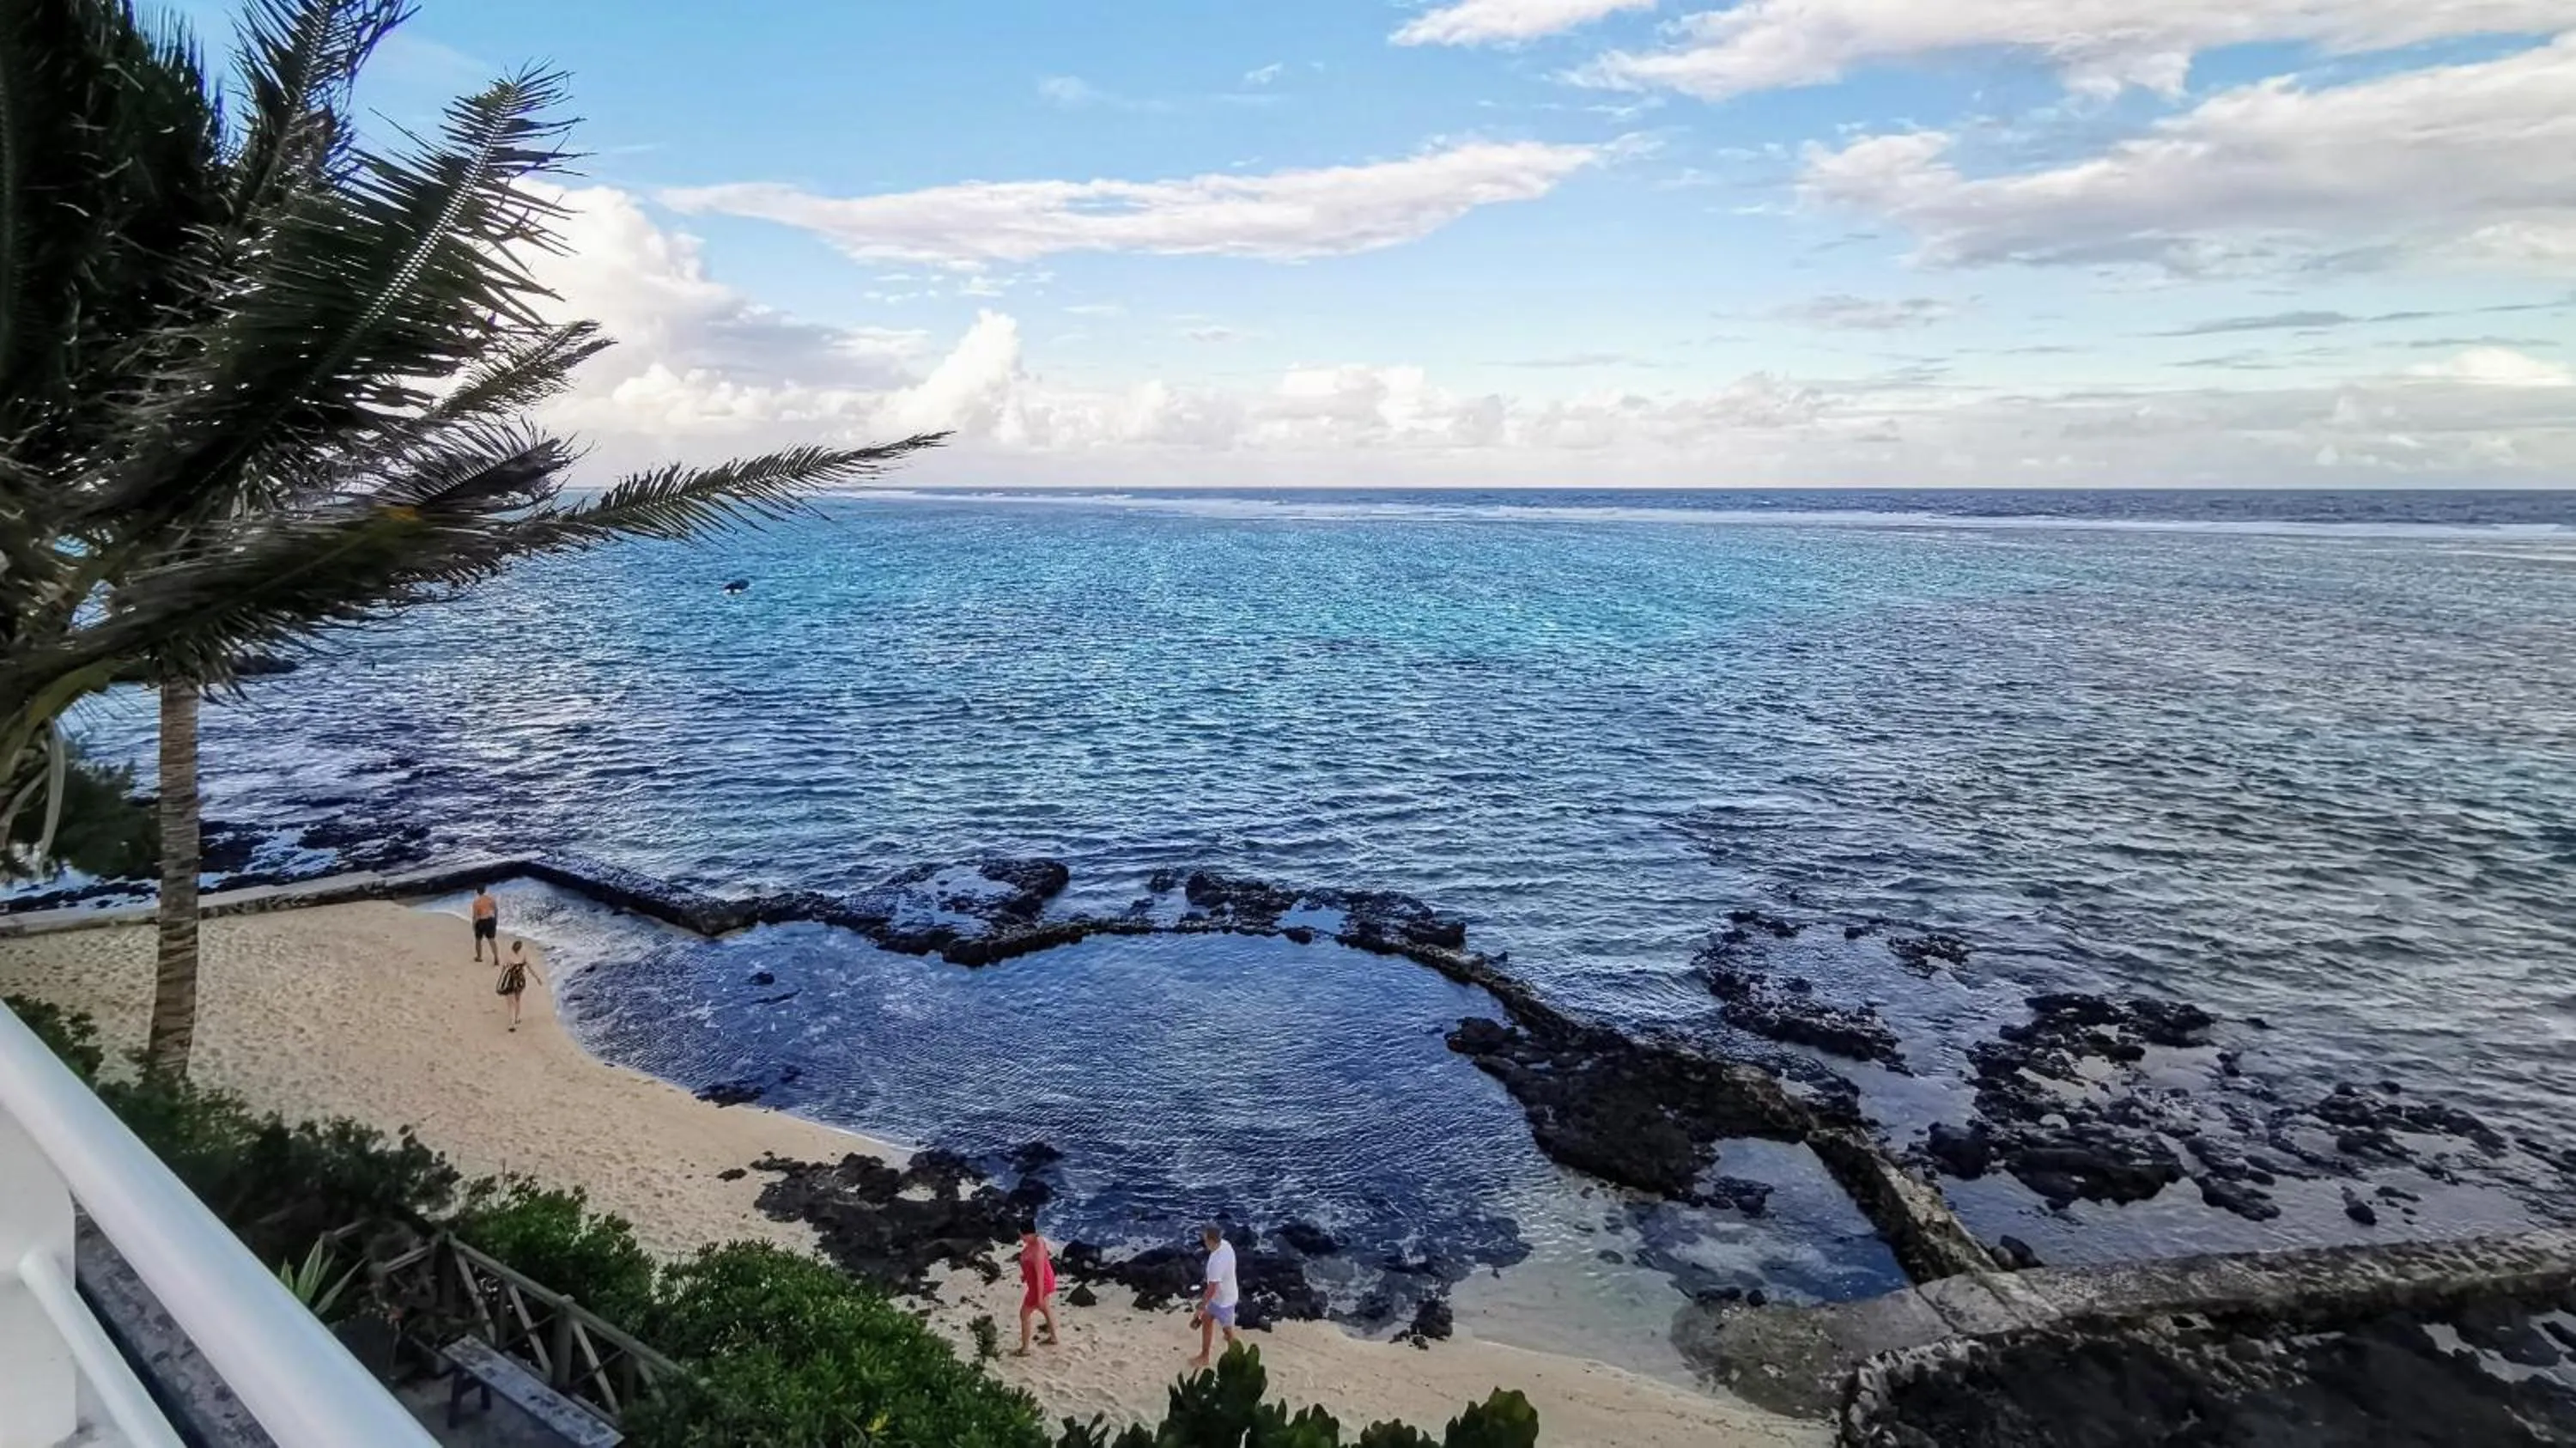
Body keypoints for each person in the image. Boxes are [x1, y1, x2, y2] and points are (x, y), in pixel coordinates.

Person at [1188, 1224, 1240, 1369]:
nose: (1204, 1243)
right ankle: (1204, 1356)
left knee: (1228, 1332)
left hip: (1224, 1301)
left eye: (1205, 1240)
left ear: (1211, 1241)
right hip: (1224, 1295)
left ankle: (1238, 1359)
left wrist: (1201, 1307)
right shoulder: (1226, 1245)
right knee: (1207, 1319)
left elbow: (1212, 1288)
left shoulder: (1216, 1262)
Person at [1014, 1226, 1058, 1355]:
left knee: (1024, 1314)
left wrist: (1038, 1297)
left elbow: (1040, 1276)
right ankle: (1054, 1338)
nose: (1021, 1238)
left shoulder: (1037, 1249)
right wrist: (1026, 1275)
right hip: (1043, 1280)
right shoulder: (1038, 1241)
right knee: (1045, 1308)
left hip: (1040, 1284)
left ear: (1031, 1233)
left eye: (1023, 1235)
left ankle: (1025, 1349)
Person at [495, 940, 539, 1032]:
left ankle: (512, 1023)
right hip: (519, 980)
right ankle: (517, 1017)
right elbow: (530, 967)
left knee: (510, 1003)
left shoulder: (508, 953)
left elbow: (504, 968)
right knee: (517, 1000)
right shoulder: (524, 954)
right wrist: (537, 978)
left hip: (510, 980)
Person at [470, 885, 499, 962]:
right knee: (492, 940)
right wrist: (496, 919)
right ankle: (496, 957)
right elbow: (496, 910)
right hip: (490, 920)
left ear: (477, 892)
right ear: (485, 890)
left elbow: (475, 916)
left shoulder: (476, 902)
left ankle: (479, 957)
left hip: (481, 922)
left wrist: (473, 925)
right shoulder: (491, 899)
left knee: (478, 940)